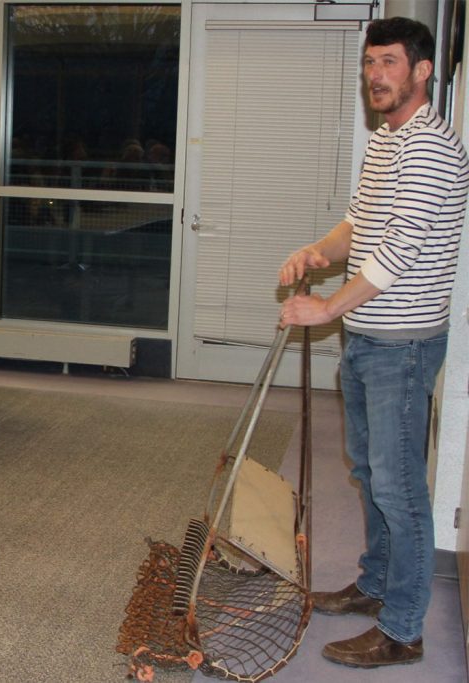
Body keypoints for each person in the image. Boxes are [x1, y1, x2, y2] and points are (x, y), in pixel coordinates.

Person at [278, 17, 469, 669]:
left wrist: (325, 305)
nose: (375, 75)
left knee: (400, 488)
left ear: (422, 71)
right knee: (369, 472)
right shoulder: (388, 142)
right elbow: (359, 226)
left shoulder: (433, 148)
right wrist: (316, 252)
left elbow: (396, 252)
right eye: (369, 63)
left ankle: (404, 627)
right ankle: (377, 582)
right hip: (367, 340)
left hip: (403, 347)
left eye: (389, 61)